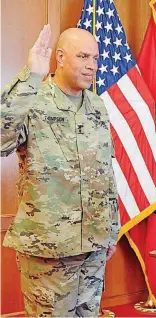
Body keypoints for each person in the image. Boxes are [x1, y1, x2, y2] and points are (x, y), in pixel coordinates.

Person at [1, 25, 120, 317]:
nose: (92, 65)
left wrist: (111, 231)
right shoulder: (33, 100)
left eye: (95, 58)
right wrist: (31, 75)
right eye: (83, 57)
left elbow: (106, 170)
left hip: (94, 244)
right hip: (49, 250)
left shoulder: (97, 106)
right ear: (61, 57)